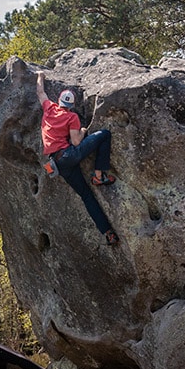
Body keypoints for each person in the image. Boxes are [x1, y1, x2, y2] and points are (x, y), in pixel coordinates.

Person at [36, 71, 119, 245]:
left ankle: (108, 233)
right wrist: (82, 131)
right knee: (104, 134)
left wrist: (40, 76)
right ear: (72, 105)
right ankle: (99, 176)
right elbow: (75, 141)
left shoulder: (49, 108)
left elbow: (40, 92)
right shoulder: (71, 116)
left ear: (59, 101)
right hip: (69, 155)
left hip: (57, 163)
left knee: (86, 196)